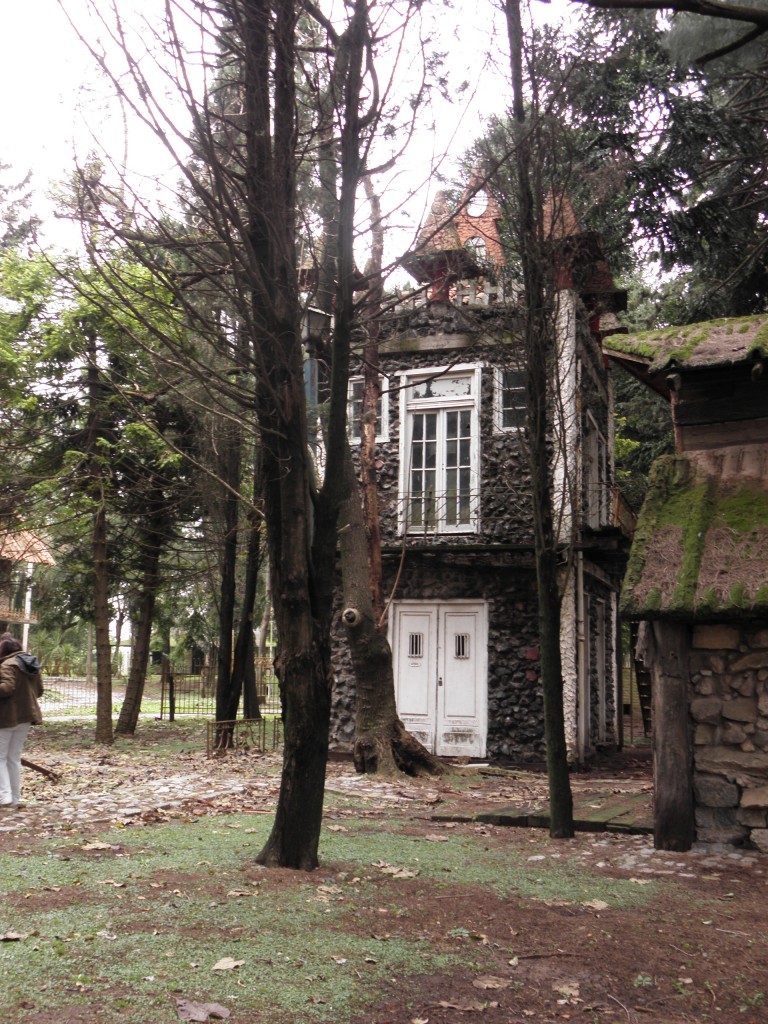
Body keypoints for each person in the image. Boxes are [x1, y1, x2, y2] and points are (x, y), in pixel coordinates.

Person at [0, 632, 44, 812]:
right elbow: (39, 690)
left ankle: (4, 796)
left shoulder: (6, 665)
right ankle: (14, 797)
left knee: (0, 757)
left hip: (6, 717)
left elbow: (6, 688)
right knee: (13, 758)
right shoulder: (31, 665)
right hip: (26, 717)